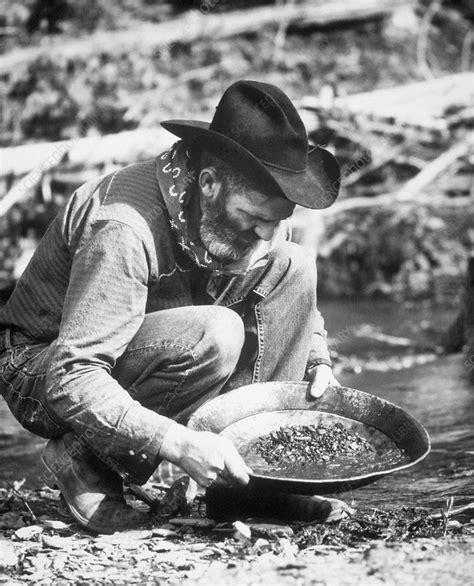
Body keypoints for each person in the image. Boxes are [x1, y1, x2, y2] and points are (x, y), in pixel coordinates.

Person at [0, 80, 341, 534]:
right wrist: (178, 444)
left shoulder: (250, 215)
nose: (265, 232)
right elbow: (72, 375)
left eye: (277, 220)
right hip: (42, 367)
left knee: (293, 264)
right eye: (255, 218)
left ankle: (252, 484)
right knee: (216, 334)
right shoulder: (123, 227)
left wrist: (316, 357)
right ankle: (86, 458)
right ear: (209, 184)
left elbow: (289, 288)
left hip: (133, 340)